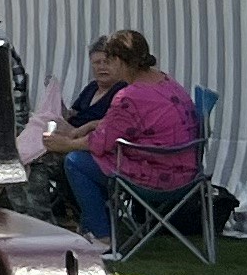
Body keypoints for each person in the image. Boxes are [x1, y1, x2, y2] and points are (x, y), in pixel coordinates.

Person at [41, 28, 203, 241]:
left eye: (108, 60)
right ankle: (98, 224)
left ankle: (101, 235)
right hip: (189, 172)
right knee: (94, 159)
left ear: (118, 60)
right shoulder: (165, 81)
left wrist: (64, 144)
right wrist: (92, 124)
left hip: (160, 177)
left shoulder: (129, 96)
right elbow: (137, 123)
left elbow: (100, 143)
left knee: (76, 162)